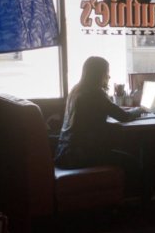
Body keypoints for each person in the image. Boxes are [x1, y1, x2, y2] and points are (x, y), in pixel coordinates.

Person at [54, 56, 142, 193]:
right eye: (107, 72)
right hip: (81, 156)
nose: (109, 76)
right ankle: (136, 202)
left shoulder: (76, 91)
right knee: (132, 162)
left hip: (64, 154)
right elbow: (124, 116)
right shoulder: (95, 93)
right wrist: (140, 109)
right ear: (99, 74)